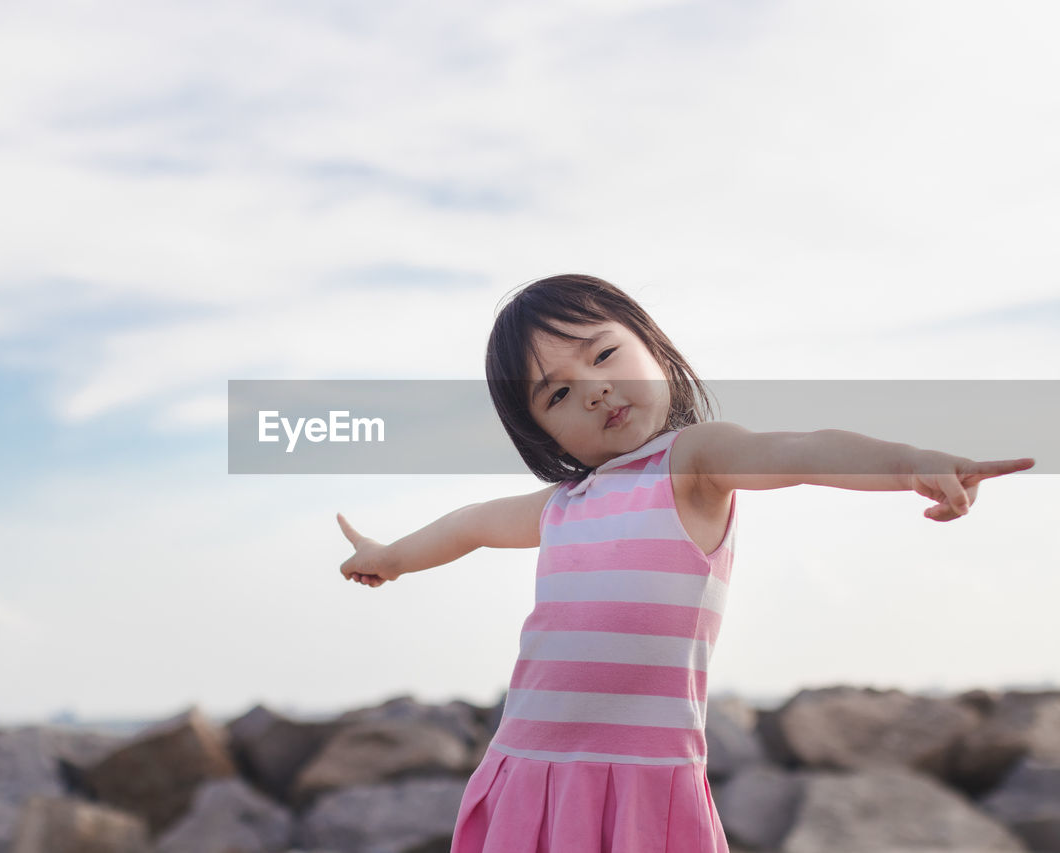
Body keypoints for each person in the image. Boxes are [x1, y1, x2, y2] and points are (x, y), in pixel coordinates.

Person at [334, 273, 1035, 852]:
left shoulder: (691, 462)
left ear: (654, 350)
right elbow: (470, 527)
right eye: (558, 392)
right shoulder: (562, 504)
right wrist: (390, 556)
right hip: (528, 768)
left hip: (643, 780)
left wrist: (910, 463)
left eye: (604, 355)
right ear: (540, 432)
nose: (594, 389)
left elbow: (798, 450)